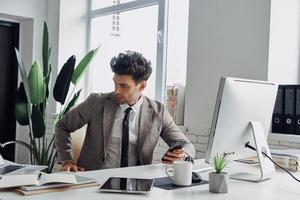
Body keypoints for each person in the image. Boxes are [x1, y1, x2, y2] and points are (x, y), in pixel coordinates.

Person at [55, 51, 195, 172]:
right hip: (94, 180)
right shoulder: (96, 102)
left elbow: (186, 144)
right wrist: (67, 160)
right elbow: (62, 126)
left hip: (136, 184)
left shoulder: (157, 111)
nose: (117, 90)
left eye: (123, 86)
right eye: (115, 83)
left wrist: (183, 154)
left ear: (142, 86)